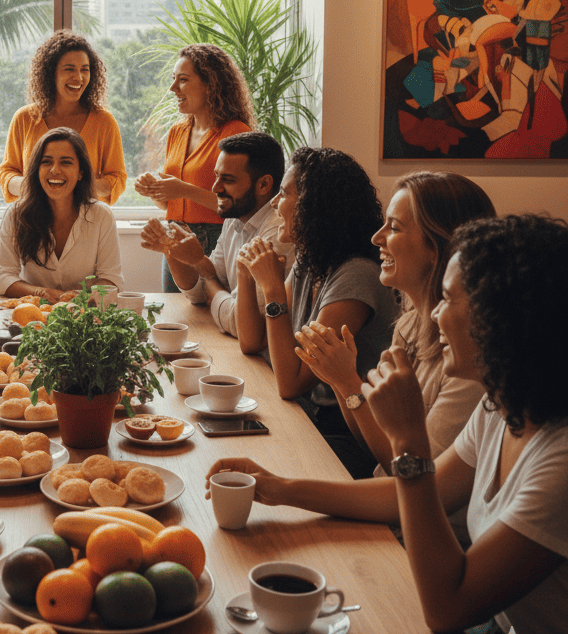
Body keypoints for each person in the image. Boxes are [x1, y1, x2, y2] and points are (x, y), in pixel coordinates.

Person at [207, 215, 568, 634]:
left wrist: (408, 441)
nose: (437, 314)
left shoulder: (561, 460)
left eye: (451, 299)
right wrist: (280, 488)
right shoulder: (503, 406)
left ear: (502, 314)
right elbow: (414, 494)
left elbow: (447, 605)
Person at [294, 171, 493, 480]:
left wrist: (348, 384)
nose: (377, 237)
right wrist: (339, 379)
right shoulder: (409, 325)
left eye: (395, 227)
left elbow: (413, 475)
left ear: (437, 247)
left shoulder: (468, 363)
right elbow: (376, 443)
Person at [235, 146, 399, 477]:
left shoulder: (356, 275)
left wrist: (271, 289)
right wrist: (244, 273)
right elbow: (251, 342)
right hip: (309, 416)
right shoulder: (311, 261)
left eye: (283, 194)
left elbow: (291, 382)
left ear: (314, 206)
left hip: (347, 431)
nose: (273, 205)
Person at [140, 131, 292, 338]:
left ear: (264, 184)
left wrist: (203, 266)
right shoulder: (234, 217)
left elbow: (238, 322)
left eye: (228, 180)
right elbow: (202, 293)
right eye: (216, 176)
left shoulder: (277, 234)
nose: (215, 188)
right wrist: (172, 251)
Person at [134, 44, 255, 292]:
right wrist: (155, 190)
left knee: (212, 321)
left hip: (216, 239)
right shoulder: (177, 133)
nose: (173, 88)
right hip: (174, 236)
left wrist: (183, 189)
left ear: (211, 84)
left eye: (183, 80)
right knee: (177, 314)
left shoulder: (236, 133)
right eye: (173, 80)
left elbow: (241, 207)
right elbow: (170, 204)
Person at [0, 127, 124, 301]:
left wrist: (78, 299)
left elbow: (112, 281)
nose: (54, 170)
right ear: (37, 170)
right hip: (33, 315)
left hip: (84, 313)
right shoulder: (16, 214)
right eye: (46, 162)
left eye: (66, 162)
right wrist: (41, 292)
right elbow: (0, 278)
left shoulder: (102, 216)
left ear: (80, 173)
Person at [0, 32, 127, 205]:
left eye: (85, 70)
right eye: (69, 69)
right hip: (33, 223)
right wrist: (37, 186)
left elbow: (117, 179)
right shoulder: (25, 118)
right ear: (51, 73)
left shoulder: (104, 122)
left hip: (86, 222)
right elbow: (7, 174)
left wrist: (76, 186)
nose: (79, 77)